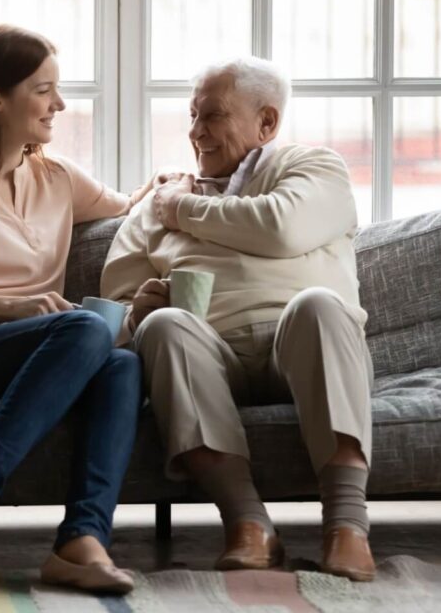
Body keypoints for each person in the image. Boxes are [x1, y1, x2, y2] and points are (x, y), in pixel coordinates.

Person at [0, 24, 168, 594]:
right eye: (43, 90)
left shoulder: (58, 178)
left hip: (40, 348)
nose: (58, 104)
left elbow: (129, 205)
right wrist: (17, 308)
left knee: (121, 362)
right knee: (86, 331)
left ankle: (81, 540)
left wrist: (173, 190)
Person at [101, 56, 377, 581]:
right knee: (164, 326)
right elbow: (112, 304)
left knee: (319, 304)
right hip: (209, 353)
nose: (196, 132)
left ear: (266, 123)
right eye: (192, 116)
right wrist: (138, 311)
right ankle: (247, 524)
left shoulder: (312, 168)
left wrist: (180, 209)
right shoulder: (153, 207)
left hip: (296, 343)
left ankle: (347, 527)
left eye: (213, 116)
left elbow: (280, 229)